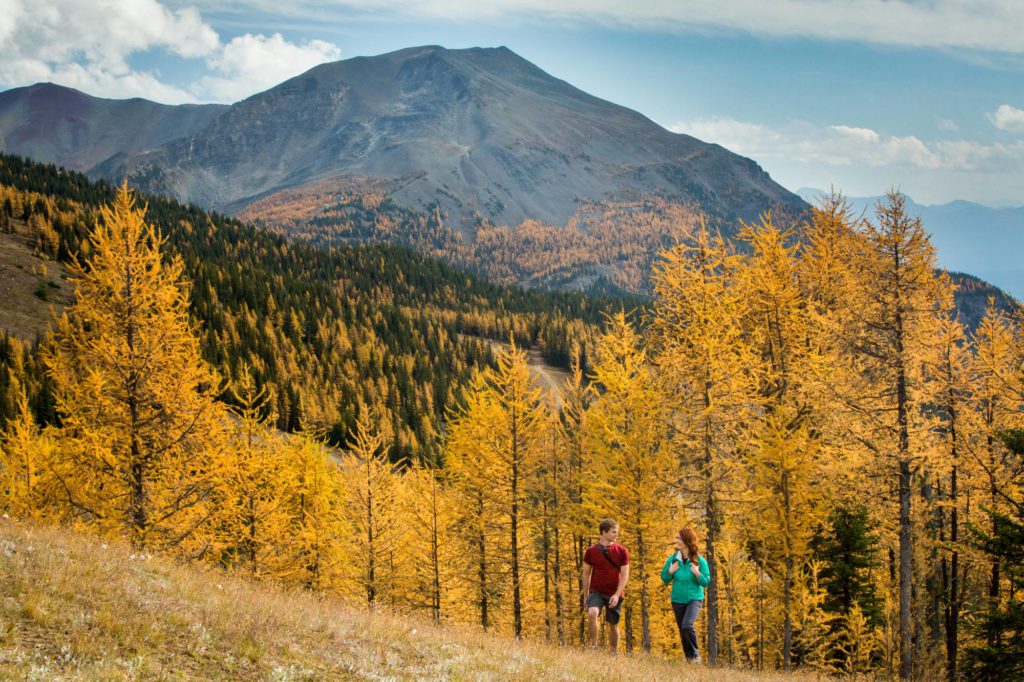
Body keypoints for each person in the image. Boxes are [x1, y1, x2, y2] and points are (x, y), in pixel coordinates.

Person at [661, 527, 710, 663]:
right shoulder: (673, 559)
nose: (677, 541)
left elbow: (706, 582)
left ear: (687, 541)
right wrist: (670, 572)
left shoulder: (700, 561)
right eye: (677, 538)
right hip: (677, 599)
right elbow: (664, 578)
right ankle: (689, 660)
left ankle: (696, 656)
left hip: (694, 598)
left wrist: (697, 573)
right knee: (682, 630)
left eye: (679, 538)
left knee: (687, 625)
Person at [581, 518, 630, 652]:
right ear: (603, 532)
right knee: (592, 613)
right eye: (613, 532)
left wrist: (617, 594)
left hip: (614, 593)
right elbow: (586, 574)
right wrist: (586, 596)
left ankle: (613, 652)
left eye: (617, 531)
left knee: (613, 625)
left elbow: (625, 575)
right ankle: (594, 647)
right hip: (596, 591)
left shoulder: (622, 551)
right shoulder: (591, 551)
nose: (616, 534)